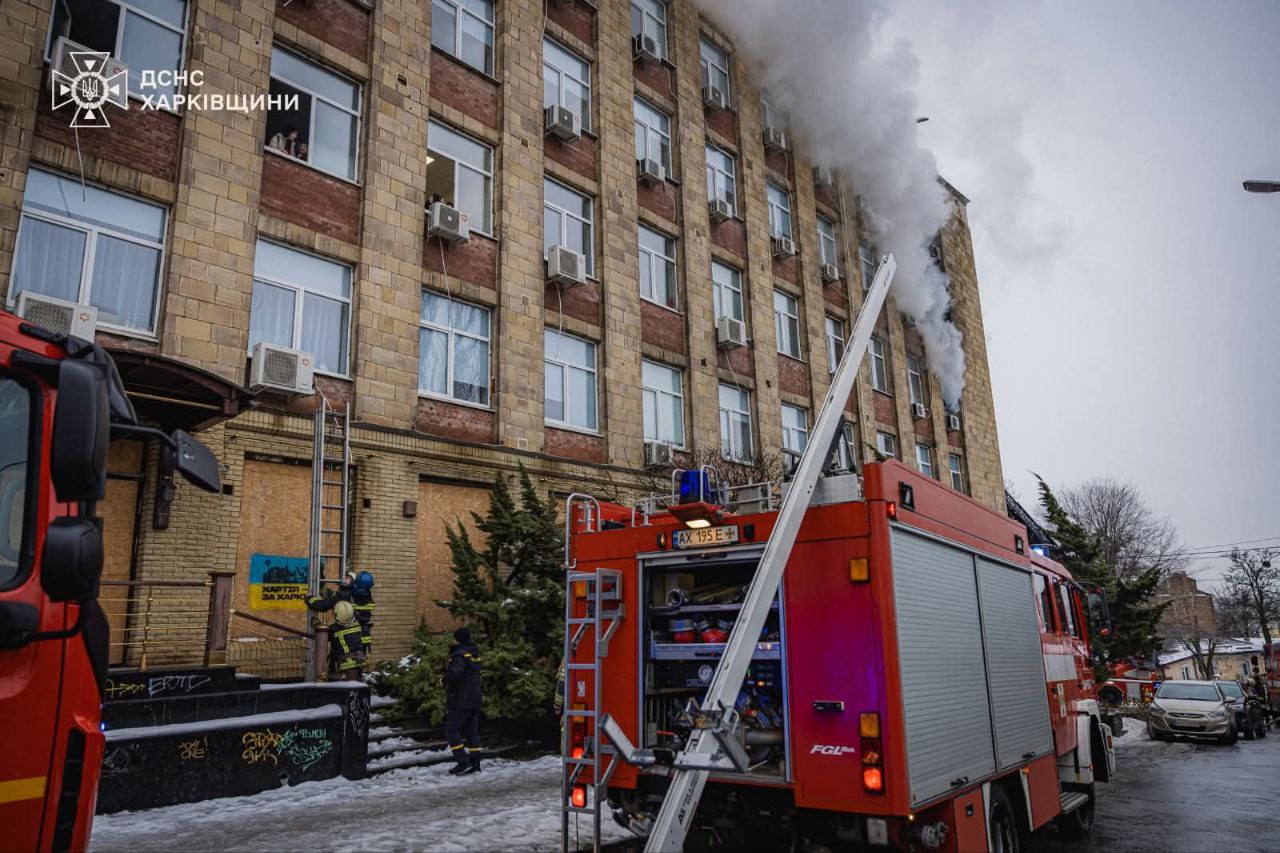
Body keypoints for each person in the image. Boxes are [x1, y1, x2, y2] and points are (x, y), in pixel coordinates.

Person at [307, 570, 376, 665]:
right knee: (357, 664)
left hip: (344, 637)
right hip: (362, 638)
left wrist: (310, 599)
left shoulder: (345, 595)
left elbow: (322, 605)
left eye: (349, 579)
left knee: (340, 665)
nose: (347, 580)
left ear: (355, 582)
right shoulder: (368, 595)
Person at [444, 626, 482, 775]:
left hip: (462, 699)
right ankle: (475, 762)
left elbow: (455, 674)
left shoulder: (459, 655)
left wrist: (444, 680)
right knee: (472, 731)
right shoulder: (473, 652)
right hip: (475, 697)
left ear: (457, 639)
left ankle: (462, 761)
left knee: (452, 729)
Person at [325, 600, 364, 681]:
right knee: (356, 687)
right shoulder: (357, 623)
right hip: (358, 661)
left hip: (345, 665)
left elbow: (324, 636)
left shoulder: (334, 629)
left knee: (343, 689)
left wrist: (317, 624)